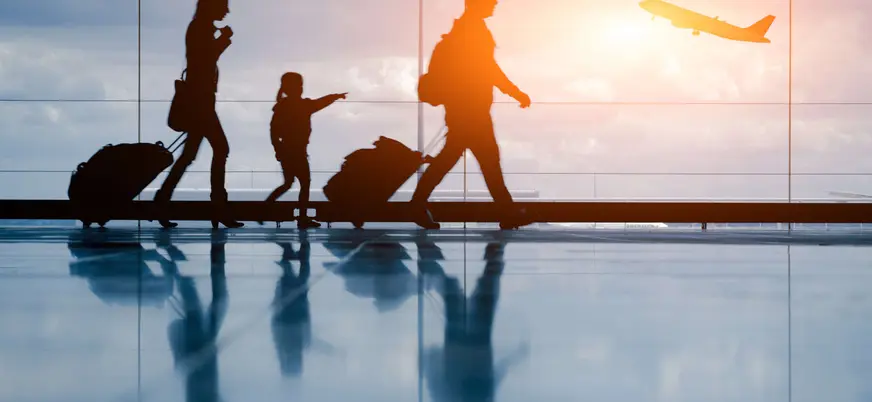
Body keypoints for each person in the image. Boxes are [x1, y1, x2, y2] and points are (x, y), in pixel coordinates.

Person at [412, 0, 533, 230]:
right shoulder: (473, 31)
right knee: (486, 160)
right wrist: (515, 92)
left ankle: (417, 205)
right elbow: (489, 69)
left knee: (460, 159)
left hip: (463, 109)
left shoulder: (466, 29)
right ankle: (507, 213)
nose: (496, 4)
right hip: (471, 110)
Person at [154, 0, 243, 230]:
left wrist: (221, 38)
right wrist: (224, 39)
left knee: (189, 155)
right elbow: (206, 59)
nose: (227, 10)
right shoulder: (200, 29)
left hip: (200, 100)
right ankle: (218, 208)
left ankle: (162, 201)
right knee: (220, 149)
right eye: (224, 6)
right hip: (201, 102)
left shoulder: (200, 28)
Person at [260, 72, 347, 229]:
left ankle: (266, 208)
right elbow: (321, 102)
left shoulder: (282, 107)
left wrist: (278, 149)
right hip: (296, 152)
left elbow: (273, 131)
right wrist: (336, 96)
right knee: (304, 183)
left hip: (287, 151)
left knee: (288, 183)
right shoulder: (302, 106)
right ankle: (301, 217)